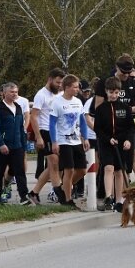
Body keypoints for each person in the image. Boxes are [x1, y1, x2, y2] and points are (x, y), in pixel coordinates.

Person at [92, 77, 135, 211]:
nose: (113, 95)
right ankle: (108, 196)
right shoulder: (100, 109)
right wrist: (107, 139)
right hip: (106, 143)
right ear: (106, 92)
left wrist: (128, 140)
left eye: (116, 92)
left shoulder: (125, 108)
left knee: (118, 171)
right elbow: (97, 129)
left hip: (121, 144)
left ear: (119, 93)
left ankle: (118, 200)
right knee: (108, 168)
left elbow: (131, 128)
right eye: (111, 92)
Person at [50, 74, 90, 208]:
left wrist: (85, 137)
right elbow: (52, 124)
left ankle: (64, 187)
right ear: (67, 87)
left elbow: (82, 121)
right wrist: (54, 142)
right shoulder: (57, 102)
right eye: (75, 87)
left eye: (77, 87)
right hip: (63, 141)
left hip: (76, 140)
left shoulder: (78, 102)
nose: (77, 89)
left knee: (82, 170)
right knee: (69, 170)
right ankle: (67, 199)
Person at [28, 68, 65, 204]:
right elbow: (34, 117)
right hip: (45, 131)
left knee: (54, 166)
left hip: (58, 132)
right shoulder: (41, 95)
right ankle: (59, 195)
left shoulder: (59, 94)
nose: (59, 85)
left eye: (61, 83)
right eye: (57, 82)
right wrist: (38, 137)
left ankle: (34, 192)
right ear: (50, 79)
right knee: (54, 164)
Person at [0, 82, 31, 205]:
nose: (14, 94)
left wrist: (23, 145)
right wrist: (1, 143)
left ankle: (24, 196)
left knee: (20, 171)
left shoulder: (18, 107)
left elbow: (20, 127)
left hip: (17, 145)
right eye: (12, 92)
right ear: (4, 93)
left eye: (16, 92)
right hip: (3, 146)